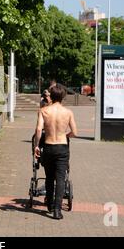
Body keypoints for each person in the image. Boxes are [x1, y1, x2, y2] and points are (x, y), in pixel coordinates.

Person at [34, 84, 78, 220]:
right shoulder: (68, 112)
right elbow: (75, 133)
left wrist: (36, 145)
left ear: (50, 96)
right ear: (63, 97)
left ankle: (50, 205)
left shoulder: (43, 111)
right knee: (60, 180)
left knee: (49, 177)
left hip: (48, 146)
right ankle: (57, 211)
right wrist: (65, 136)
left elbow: (38, 130)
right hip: (62, 148)